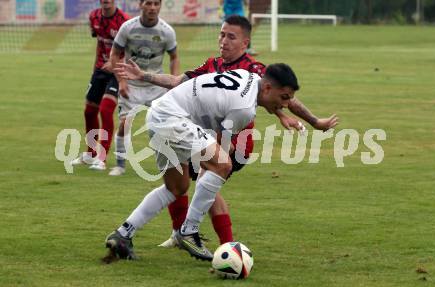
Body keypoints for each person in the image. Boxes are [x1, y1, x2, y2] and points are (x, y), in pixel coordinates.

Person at [114, 15, 338, 249]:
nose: (223, 41)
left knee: (205, 179)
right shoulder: (213, 65)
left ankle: (212, 243)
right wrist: (145, 76)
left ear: (245, 43)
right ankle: (191, 236)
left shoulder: (255, 70)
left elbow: (279, 97)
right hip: (195, 129)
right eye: (222, 34)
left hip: (230, 140)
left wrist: (303, 118)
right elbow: (178, 81)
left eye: (231, 36)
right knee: (188, 183)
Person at [104, 63, 301, 262]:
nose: (285, 105)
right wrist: (219, 155)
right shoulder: (245, 110)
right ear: (267, 88)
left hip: (158, 114)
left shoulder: (247, 75)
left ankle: (122, 234)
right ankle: (189, 231)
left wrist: (217, 151)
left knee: (176, 188)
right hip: (174, 118)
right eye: (284, 97)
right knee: (223, 164)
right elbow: (219, 158)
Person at [92, 0, 180, 174]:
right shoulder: (128, 27)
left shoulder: (167, 31)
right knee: (125, 124)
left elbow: (174, 57)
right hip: (131, 85)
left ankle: (169, 163)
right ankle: (120, 165)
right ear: (140, 5)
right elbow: (115, 54)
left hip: (156, 85)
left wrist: (174, 82)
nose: (152, 8)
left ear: (160, 6)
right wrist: (122, 81)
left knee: (166, 125)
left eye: (156, 4)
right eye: (148, 3)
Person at [71, 0, 130, 168]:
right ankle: (90, 154)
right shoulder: (94, 16)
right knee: (89, 111)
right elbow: (100, 43)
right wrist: (94, 70)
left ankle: (101, 159)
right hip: (100, 70)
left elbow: (129, 50)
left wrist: (119, 71)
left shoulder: (124, 21)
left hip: (117, 71)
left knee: (105, 110)